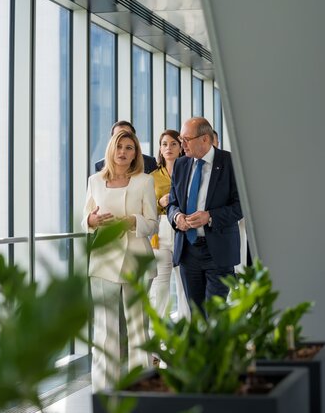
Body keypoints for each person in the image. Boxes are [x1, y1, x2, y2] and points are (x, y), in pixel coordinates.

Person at [82, 130, 158, 391]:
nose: (124, 152)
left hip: (136, 257)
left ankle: (143, 384)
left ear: (136, 153)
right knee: (104, 328)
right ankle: (104, 387)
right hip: (103, 259)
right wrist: (92, 221)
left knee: (138, 326)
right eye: (120, 147)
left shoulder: (144, 181)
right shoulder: (95, 181)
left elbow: (152, 224)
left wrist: (130, 221)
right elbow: (85, 218)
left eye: (130, 148)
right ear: (111, 150)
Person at [167, 117, 242, 313]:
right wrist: (177, 217)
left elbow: (241, 206)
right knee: (197, 317)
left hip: (217, 251)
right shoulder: (181, 165)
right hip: (188, 251)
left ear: (205, 139)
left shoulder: (230, 162)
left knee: (215, 316)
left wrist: (209, 216)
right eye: (181, 139)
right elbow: (172, 203)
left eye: (186, 139)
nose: (181, 145)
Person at [149, 130, 190, 335]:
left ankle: (186, 339)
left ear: (181, 146)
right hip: (161, 232)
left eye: (173, 144)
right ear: (160, 148)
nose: (168, 148)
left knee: (184, 286)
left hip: (184, 229)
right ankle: (156, 343)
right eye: (164, 144)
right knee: (160, 287)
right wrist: (159, 202)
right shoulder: (152, 177)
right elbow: (146, 209)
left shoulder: (190, 171)